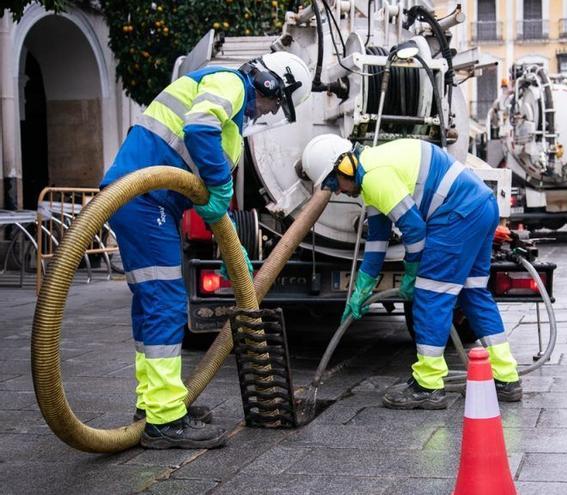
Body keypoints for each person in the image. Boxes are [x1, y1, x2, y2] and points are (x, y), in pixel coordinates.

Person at [100, 52, 311, 449]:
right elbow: (199, 129)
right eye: (274, 103)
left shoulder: (229, 114)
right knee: (164, 301)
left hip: (147, 200)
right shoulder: (230, 83)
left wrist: (234, 250)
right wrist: (218, 182)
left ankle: (154, 406)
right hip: (144, 197)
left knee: (151, 304)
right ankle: (164, 421)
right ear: (269, 83)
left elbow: (208, 198)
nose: (268, 113)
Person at [302, 136, 522, 409]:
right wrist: (361, 289)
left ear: (344, 167)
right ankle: (506, 378)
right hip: (481, 208)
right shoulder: (372, 173)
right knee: (473, 292)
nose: (336, 191)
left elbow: (415, 229)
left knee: (430, 296)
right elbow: (377, 242)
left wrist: (412, 273)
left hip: (456, 215)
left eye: (333, 184)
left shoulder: (374, 177)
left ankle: (428, 385)